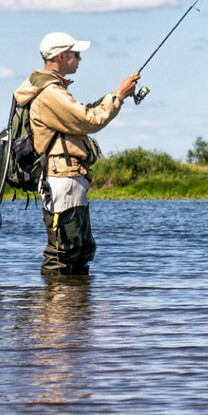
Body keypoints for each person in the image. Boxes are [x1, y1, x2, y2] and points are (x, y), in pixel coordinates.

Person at [12, 32, 140, 276]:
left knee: (81, 250)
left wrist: (115, 96)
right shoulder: (51, 93)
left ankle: (76, 309)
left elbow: (80, 114)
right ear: (61, 56)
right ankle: (56, 310)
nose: (80, 59)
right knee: (63, 252)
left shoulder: (52, 90)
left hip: (69, 179)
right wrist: (119, 97)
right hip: (63, 180)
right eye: (76, 54)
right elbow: (89, 120)